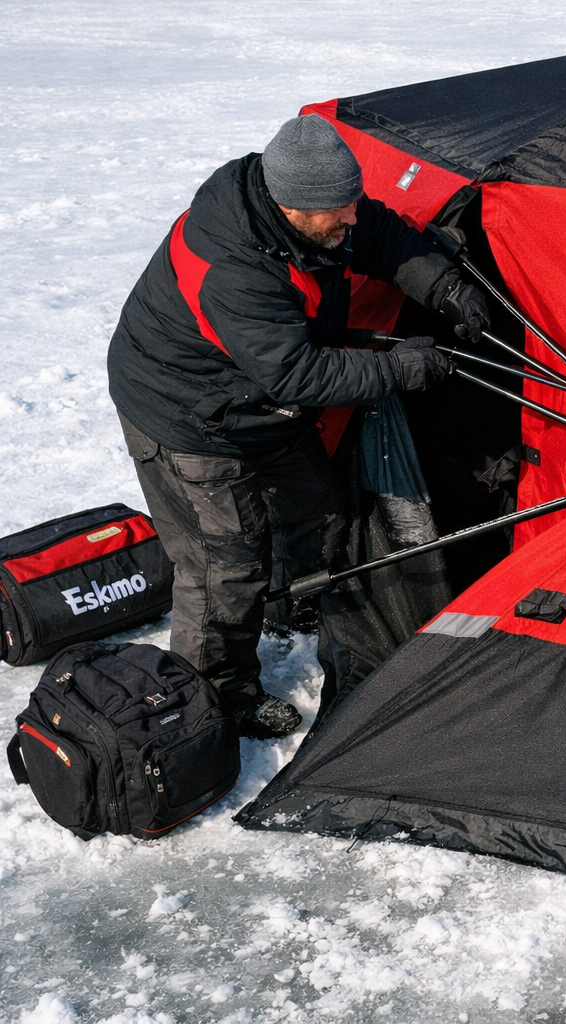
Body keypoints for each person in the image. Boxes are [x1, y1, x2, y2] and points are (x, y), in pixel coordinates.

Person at [107, 114, 489, 737]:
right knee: (224, 565)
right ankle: (218, 696)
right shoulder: (235, 268)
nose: (351, 218)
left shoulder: (310, 212)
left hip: (260, 402)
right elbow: (297, 373)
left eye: (351, 203)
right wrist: (402, 368)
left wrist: (444, 286)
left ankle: (287, 603)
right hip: (189, 417)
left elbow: (381, 234)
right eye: (338, 211)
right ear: (291, 207)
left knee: (318, 507)